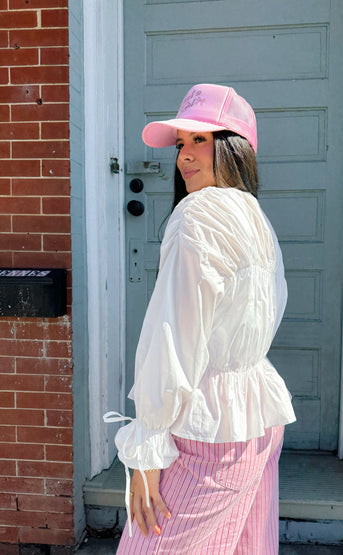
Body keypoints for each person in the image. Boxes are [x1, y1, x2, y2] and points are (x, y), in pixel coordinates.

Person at [104, 83, 296, 554]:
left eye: (200, 140)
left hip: (209, 432)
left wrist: (147, 446)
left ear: (234, 148)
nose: (183, 157)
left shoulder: (201, 215)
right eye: (180, 143)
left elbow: (172, 334)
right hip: (255, 420)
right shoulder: (252, 214)